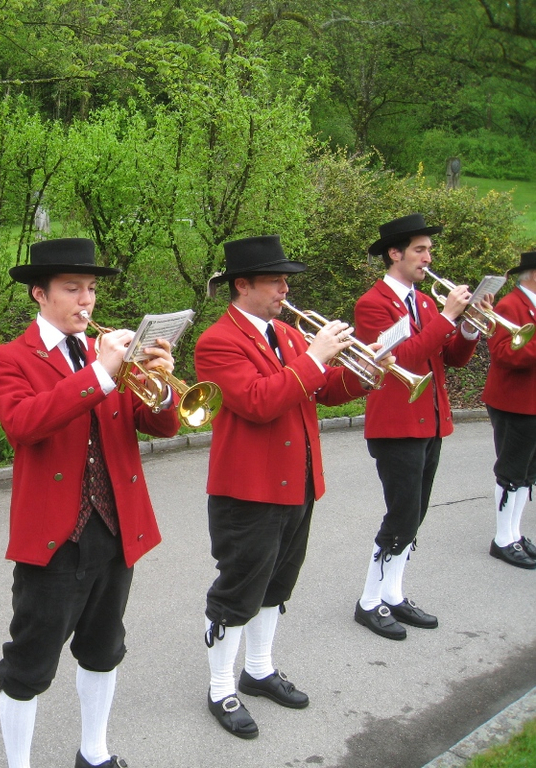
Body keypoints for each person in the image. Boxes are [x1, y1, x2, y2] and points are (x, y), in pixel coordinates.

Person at [0, 238, 180, 768]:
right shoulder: (7, 359)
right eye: (72, 288)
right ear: (39, 294)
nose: (86, 300)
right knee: (30, 662)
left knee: (103, 647)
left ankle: (94, 752)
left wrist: (162, 381)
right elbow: (24, 423)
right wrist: (100, 374)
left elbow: (161, 425)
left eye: (90, 289)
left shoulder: (108, 355)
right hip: (53, 538)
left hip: (115, 528)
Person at [194, 234, 373, 740]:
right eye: (275, 280)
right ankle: (220, 688)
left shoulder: (289, 335)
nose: (285, 289)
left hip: (298, 482)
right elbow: (257, 402)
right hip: (248, 490)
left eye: (285, 280)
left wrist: (368, 368)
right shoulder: (217, 342)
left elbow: (323, 388)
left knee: (277, 584)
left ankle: (259, 669)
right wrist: (314, 357)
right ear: (242, 285)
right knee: (238, 591)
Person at [352, 213, 485, 641]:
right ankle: (368, 602)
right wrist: (448, 317)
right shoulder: (372, 304)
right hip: (396, 425)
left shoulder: (426, 303)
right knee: (401, 515)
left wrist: (468, 326)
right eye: (420, 250)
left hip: (431, 421)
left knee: (416, 514)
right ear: (395, 253)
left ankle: (392, 593)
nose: (428, 258)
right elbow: (400, 359)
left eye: (429, 250)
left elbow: (451, 358)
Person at [482, 251, 536, 569]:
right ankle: (502, 540)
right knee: (511, 472)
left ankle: (515, 534)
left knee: (528, 473)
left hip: (531, 402)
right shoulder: (510, 306)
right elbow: (503, 353)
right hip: (514, 403)